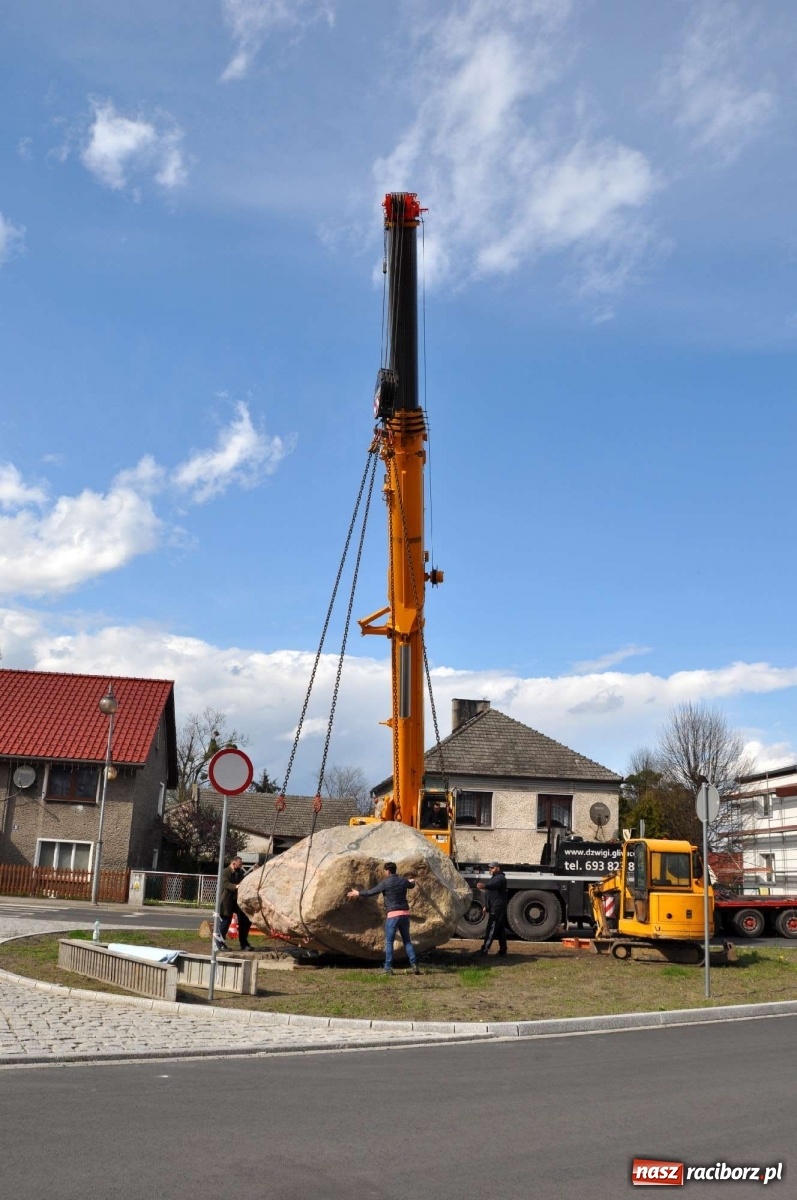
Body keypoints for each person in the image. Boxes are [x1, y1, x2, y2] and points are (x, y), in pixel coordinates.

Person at [347, 862, 421, 975]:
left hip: (393, 915)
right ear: (395, 870)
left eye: (384, 871)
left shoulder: (385, 883)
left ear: (387, 871)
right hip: (405, 914)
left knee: (389, 942)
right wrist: (412, 881)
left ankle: (388, 968)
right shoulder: (402, 881)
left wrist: (358, 893)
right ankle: (415, 966)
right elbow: (411, 885)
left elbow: (371, 892)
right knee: (407, 941)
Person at [217, 856, 252, 951]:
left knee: (245, 921)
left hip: (237, 901)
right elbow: (226, 884)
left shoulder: (240, 873)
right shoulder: (225, 872)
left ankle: (244, 943)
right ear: (233, 863)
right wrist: (236, 886)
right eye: (240, 864)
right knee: (225, 922)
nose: (241, 866)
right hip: (226, 901)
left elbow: (244, 882)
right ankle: (220, 944)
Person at [476, 862, 508, 956]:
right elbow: (491, 893)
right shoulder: (495, 877)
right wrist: (487, 905)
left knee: (491, 928)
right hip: (495, 906)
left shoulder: (500, 878)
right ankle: (503, 950)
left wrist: (484, 886)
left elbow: (493, 886)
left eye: (492, 868)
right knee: (500, 929)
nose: (490, 869)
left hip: (497, 907)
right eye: (489, 868)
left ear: (498, 868)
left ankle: (484, 949)